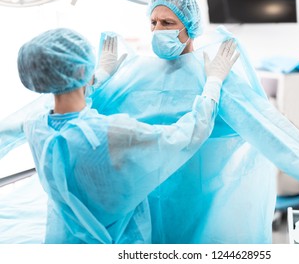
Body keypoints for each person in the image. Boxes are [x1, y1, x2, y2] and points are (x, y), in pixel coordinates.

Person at [0, 0, 299, 244]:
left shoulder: (210, 72)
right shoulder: (135, 73)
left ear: (191, 26)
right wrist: (104, 78)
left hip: (197, 204)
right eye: (153, 23)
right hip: (136, 218)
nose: (157, 31)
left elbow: (278, 137)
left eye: (167, 23)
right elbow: (180, 133)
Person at [15, 27, 239, 244]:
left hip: (62, 242)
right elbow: (188, 133)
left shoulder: (34, 125)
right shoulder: (112, 132)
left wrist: (100, 76)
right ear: (83, 71)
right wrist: (214, 82)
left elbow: (69, 109)